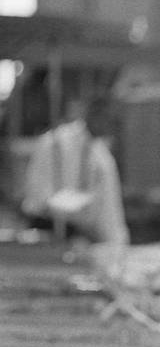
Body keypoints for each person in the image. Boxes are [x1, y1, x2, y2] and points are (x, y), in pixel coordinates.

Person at [21, 95, 129, 245]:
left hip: (81, 233)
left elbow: (111, 208)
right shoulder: (54, 142)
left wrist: (117, 242)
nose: (110, 126)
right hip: (47, 226)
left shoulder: (102, 158)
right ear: (93, 114)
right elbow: (36, 193)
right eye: (108, 119)